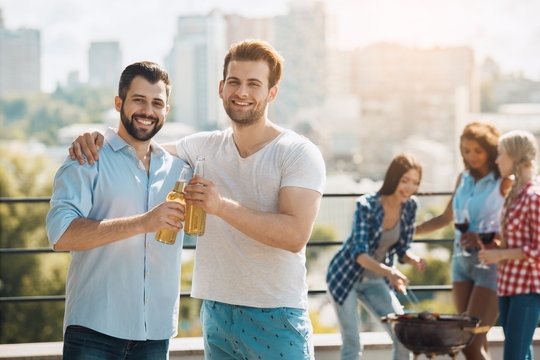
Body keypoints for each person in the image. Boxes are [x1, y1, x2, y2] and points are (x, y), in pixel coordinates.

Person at [68, 40, 326, 360]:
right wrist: (97, 138)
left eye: (254, 84)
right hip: (217, 315)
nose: (241, 91)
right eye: (234, 81)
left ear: (272, 92)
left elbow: (295, 236)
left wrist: (221, 207)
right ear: (220, 88)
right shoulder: (201, 147)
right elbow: (141, 149)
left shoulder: (298, 153)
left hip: (276, 315)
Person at [46, 62, 188, 359]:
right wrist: (143, 223)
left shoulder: (180, 170)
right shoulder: (87, 158)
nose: (148, 110)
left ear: (166, 110)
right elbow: (60, 235)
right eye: (139, 100)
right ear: (118, 103)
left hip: (155, 334)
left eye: (157, 103)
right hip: (94, 331)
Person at [415, 121, 511, 360]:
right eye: (466, 150)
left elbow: (515, 224)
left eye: (478, 150)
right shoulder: (463, 178)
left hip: (490, 264)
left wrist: (486, 238)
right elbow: (446, 217)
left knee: (467, 342)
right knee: (476, 342)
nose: (471, 156)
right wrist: (407, 231)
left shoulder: (504, 182)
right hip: (461, 264)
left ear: (490, 150)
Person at [326, 153, 427, 360]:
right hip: (345, 278)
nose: (409, 188)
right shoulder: (367, 206)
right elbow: (360, 255)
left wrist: (413, 259)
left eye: (415, 183)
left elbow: (402, 249)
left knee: (402, 336)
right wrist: (390, 272)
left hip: (375, 279)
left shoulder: (410, 206)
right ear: (393, 179)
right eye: (405, 181)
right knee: (352, 342)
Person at [479, 130, 540, 360]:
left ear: (514, 157)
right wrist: (496, 248)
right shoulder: (515, 193)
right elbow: (517, 239)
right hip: (507, 285)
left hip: (526, 289)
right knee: (521, 354)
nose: (496, 160)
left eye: (500, 154)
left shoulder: (534, 196)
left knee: (514, 356)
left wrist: (501, 254)